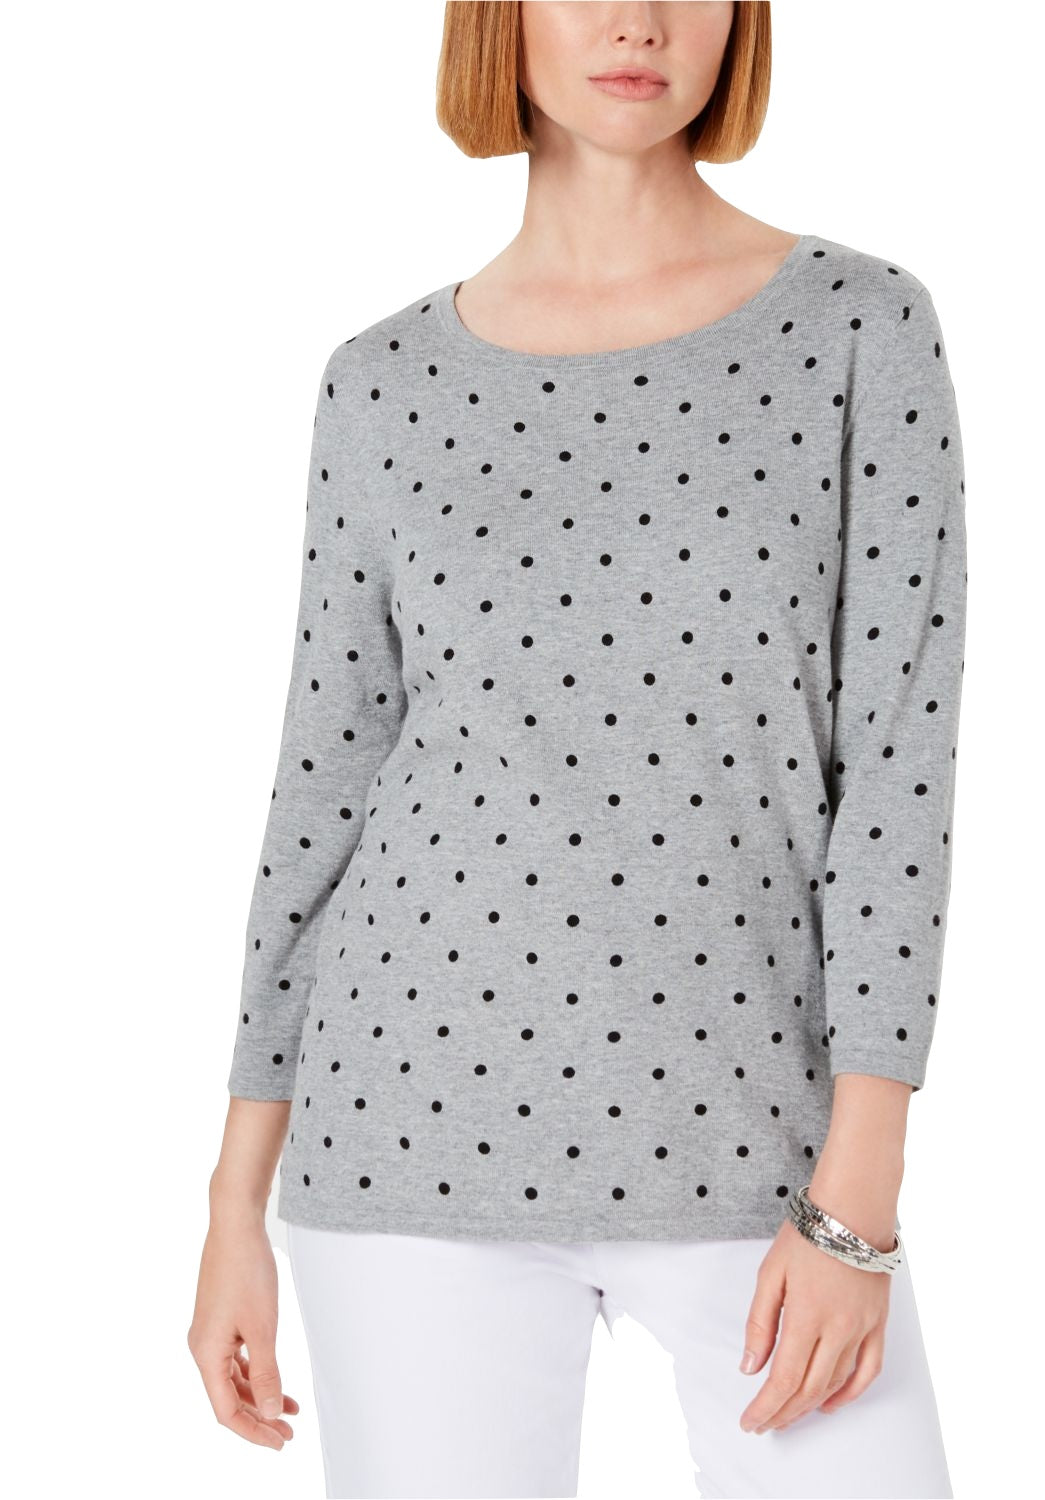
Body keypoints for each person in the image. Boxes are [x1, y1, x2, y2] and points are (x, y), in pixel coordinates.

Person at [188, 3, 968, 1496]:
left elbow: (897, 768)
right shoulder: (381, 381)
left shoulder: (858, 326)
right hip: (408, 1134)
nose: (635, 20)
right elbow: (322, 790)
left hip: (766, 1147)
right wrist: (235, 1202)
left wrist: (856, 1197)